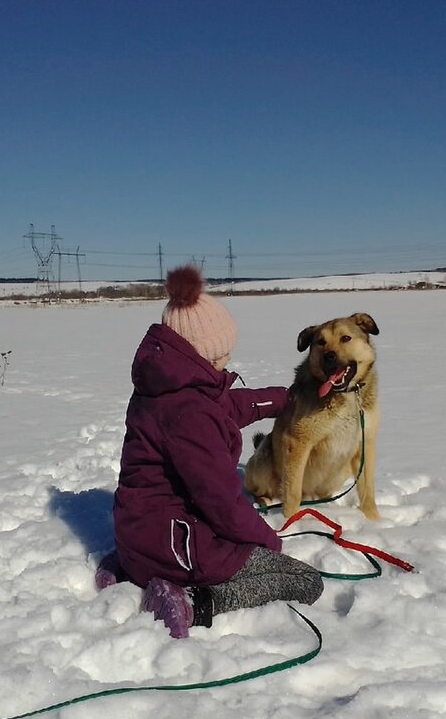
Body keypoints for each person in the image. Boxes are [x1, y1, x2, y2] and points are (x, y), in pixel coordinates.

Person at [101, 265, 323, 638]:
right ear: (201, 354)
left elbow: (229, 407)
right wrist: (269, 541)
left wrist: (283, 399)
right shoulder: (189, 412)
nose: (228, 361)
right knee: (304, 580)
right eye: (222, 355)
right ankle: (193, 601)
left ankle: (129, 566)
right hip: (176, 546)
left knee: (162, 545)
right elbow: (222, 502)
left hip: (140, 535)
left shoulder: (168, 386)